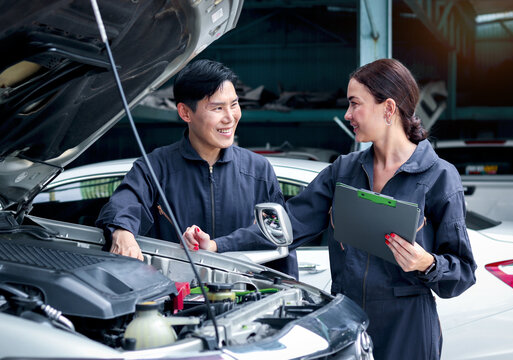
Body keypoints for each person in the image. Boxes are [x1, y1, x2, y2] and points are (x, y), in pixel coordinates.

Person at [186, 58, 476, 360]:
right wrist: (218, 245)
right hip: (346, 322)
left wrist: (426, 263)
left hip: (407, 326)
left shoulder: (438, 176)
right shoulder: (344, 171)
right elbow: (287, 227)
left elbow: (462, 273)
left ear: (388, 109)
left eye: (355, 104)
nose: (348, 114)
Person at [96, 59, 298, 279]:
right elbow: (125, 203)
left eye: (234, 104)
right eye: (217, 108)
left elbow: (279, 237)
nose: (230, 117)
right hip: (173, 302)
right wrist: (122, 232)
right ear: (185, 113)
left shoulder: (258, 170)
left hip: (243, 301)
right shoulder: (155, 167)